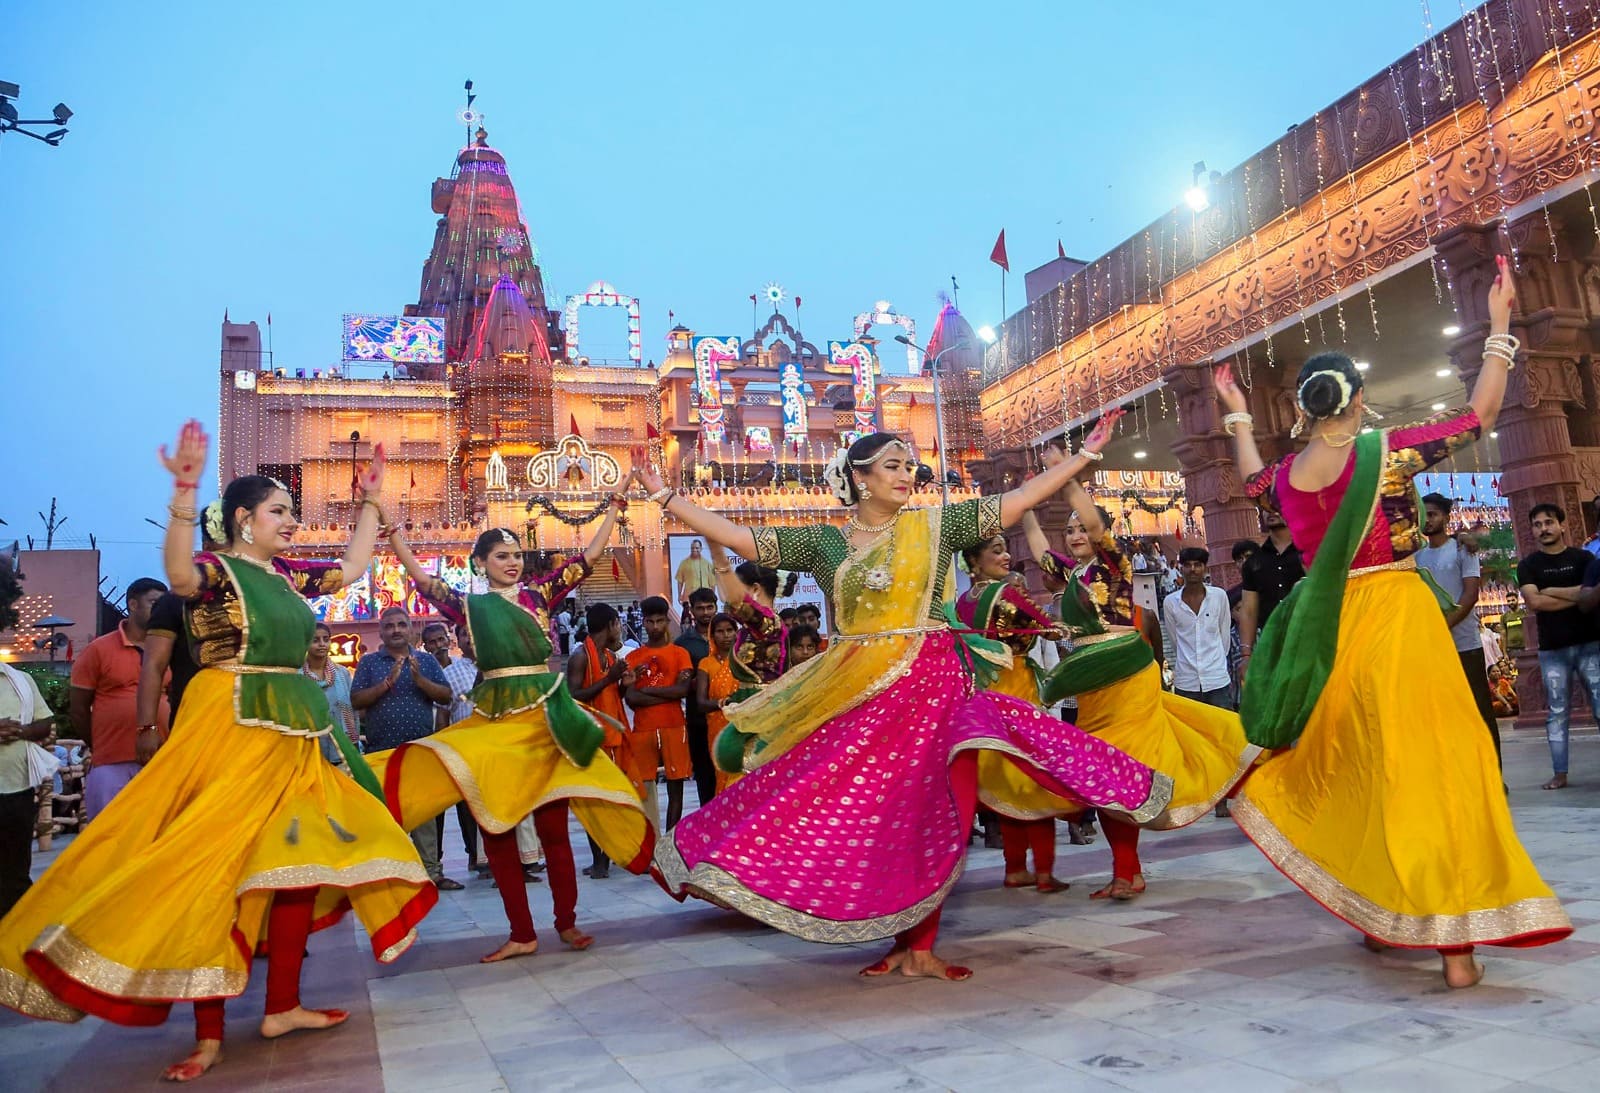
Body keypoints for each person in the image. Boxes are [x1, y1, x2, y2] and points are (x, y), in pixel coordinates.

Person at [642, 426, 1169, 981]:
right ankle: (899, 938)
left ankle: (923, 943)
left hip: (937, 688)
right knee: (861, 812)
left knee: (937, 813)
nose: (905, 474)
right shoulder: (826, 543)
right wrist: (665, 498)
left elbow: (1013, 504)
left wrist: (1082, 458)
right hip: (860, 696)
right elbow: (742, 539)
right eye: (891, 465)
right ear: (859, 477)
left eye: (909, 465)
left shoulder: (934, 527)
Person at [0, 425, 433, 1082]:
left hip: (296, 735)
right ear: (241, 520)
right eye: (279, 510)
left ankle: (282, 1005)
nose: (291, 520)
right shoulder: (214, 573)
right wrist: (182, 493)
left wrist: (370, 505)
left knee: (297, 867)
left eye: (290, 509)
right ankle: (207, 1033)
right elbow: (176, 571)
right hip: (230, 728)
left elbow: (350, 568)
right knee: (214, 872)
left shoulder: (286, 575)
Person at [1218, 256, 1570, 987]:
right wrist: (1499, 325)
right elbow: (1480, 415)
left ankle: (1386, 910)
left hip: (1332, 627)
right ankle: (1456, 946)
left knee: (1365, 766)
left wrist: (1238, 411)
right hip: (1399, 617)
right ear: (1359, 399)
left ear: (1308, 409)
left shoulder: (1283, 479)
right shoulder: (1384, 454)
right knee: (1434, 766)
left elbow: (1249, 470)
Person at [370, 505, 652, 963]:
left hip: (544, 719)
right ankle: (521, 932)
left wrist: (616, 505)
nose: (512, 562)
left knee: (554, 830)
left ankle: (567, 921)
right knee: (498, 828)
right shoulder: (469, 606)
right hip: (497, 722)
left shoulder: (539, 597)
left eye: (517, 554)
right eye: (501, 555)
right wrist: (392, 531)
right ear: (480, 563)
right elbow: (423, 581)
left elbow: (587, 559)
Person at [1026, 452, 1254, 901]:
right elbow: (1036, 548)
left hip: (1126, 677)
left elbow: (1094, 526)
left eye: (1081, 528)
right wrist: (1027, 502)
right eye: (1068, 530)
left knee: (1122, 770)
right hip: (1092, 686)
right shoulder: (1073, 576)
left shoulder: (1115, 565)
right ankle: (1126, 871)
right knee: (1102, 778)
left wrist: (1070, 474)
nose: (1074, 535)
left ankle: (1133, 866)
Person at [955, 524, 1071, 893]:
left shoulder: (963, 602)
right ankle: (1044, 872)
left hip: (983, 694)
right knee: (1033, 781)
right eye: (997, 550)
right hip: (1018, 687)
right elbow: (1048, 625)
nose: (1006, 556)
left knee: (1003, 783)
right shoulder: (1006, 593)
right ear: (975, 560)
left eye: (1005, 550)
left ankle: (1015, 868)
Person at [352, 607, 460, 890]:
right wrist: (386, 684)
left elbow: (446, 694)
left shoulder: (424, 661)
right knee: (386, 816)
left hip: (418, 750)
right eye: (390, 626)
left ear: (410, 629)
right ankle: (392, 873)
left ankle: (432, 873)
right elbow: (356, 700)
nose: (396, 630)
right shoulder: (370, 663)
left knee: (423, 814)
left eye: (401, 625)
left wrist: (420, 681)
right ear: (382, 631)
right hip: (381, 751)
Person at [70, 577, 171, 818]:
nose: (161, 610)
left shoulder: (170, 648)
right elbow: (78, 709)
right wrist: (100, 744)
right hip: (112, 762)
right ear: (133, 605)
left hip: (162, 761)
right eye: (154, 603)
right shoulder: (99, 649)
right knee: (108, 839)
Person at [1517, 502, 1600, 790]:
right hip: (1552, 650)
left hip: (1590, 643)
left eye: (1549, 522)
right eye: (1538, 525)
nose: (1544, 529)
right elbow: (1535, 602)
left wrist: (1551, 591)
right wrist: (1578, 594)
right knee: (1557, 713)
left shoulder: (1584, 559)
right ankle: (1560, 773)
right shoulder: (1528, 565)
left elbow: (1593, 597)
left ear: (1562, 525)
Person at [1416, 493, 1501, 762]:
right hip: (1432, 648)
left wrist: (1443, 625)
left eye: (1433, 514)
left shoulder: (1464, 549)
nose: (1428, 520)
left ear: (1446, 517)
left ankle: (1493, 774)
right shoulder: (1416, 558)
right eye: (1424, 514)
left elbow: (1470, 594)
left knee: (1480, 711)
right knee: (1443, 713)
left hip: (1465, 645)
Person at [567, 602, 638, 880]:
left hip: (613, 736)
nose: (619, 628)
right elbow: (574, 695)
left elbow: (609, 695)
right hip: (592, 738)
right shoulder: (579, 656)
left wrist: (624, 684)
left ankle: (608, 856)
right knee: (596, 802)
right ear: (609, 625)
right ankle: (600, 862)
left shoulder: (609, 656)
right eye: (617, 623)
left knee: (612, 801)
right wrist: (610, 679)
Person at [624, 597, 695, 831]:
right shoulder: (632, 658)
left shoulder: (680, 653)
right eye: (650, 622)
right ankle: (650, 843)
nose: (655, 627)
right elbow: (631, 698)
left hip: (674, 725)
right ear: (643, 622)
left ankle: (668, 846)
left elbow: (682, 690)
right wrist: (668, 692)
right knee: (645, 789)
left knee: (676, 788)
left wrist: (648, 690)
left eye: (660, 621)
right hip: (643, 728)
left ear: (667, 622)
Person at [423, 621, 483, 873]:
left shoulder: (487, 668)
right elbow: (442, 715)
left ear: (449, 641)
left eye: (441, 640)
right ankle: (472, 854)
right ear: (425, 646)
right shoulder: (442, 675)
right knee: (465, 805)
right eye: (433, 642)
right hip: (457, 747)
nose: (439, 646)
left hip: (489, 745)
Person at [0, 661, 55, 918]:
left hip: (17, 789)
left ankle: (13, 934)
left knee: (16, 869)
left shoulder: (20, 679)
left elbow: (44, 724)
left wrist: (21, 730)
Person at [1237, 509, 1306, 683]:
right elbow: (1249, 611)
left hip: (1308, 641)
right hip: (1270, 647)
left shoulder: (1308, 553)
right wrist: (1246, 655)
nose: (1270, 511)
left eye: (1276, 504)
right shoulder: (1254, 562)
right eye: (1265, 508)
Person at [1162, 547, 1233, 709]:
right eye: (1187, 565)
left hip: (1217, 680)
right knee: (1191, 732)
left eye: (1197, 564)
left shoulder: (1219, 596)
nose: (1192, 569)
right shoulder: (1170, 602)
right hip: (1186, 682)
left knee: (1222, 730)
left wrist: (1215, 663)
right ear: (1181, 569)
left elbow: (1224, 637)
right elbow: (1175, 641)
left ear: (1205, 568)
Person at [674, 587, 720, 807]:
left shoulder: (729, 635)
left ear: (716, 607)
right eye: (700, 608)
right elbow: (679, 682)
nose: (705, 613)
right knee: (704, 777)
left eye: (709, 607)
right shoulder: (683, 644)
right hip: (699, 720)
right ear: (691, 610)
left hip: (727, 718)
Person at [694, 614, 742, 797]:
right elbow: (701, 702)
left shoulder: (744, 661)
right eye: (720, 632)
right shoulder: (706, 664)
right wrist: (725, 703)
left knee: (742, 773)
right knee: (722, 774)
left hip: (741, 725)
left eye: (730, 630)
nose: (726, 635)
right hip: (717, 728)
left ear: (736, 633)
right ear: (712, 636)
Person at [304, 621, 356, 772]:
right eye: (315, 640)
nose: (322, 644)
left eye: (326, 639)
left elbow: (353, 711)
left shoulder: (342, 673)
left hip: (342, 749)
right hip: (312, 748)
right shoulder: (298, 675)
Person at [675, 539, 717, 606]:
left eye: (697, 548)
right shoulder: (684, 563)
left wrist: (712, 598)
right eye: (692, 548)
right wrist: (679, 595)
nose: (694, 550)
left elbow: (712, 584)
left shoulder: (707, 564)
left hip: (704, 598)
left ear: (701, 549)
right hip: (689, 598)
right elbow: (680, 581)